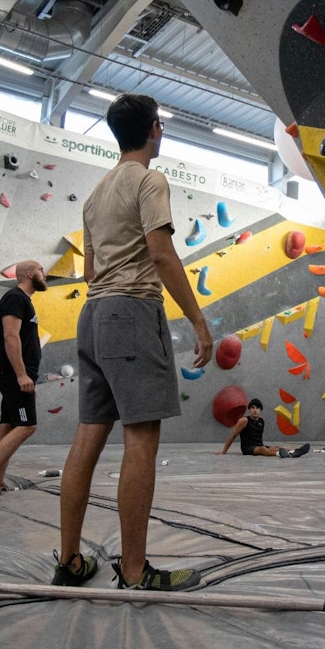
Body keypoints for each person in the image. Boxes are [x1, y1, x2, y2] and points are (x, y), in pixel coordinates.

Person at [53, 93, 213, 592]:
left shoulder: (96, 194)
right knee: (141, 438)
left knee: (88, 435)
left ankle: (71, 560)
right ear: (154, 128)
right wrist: (199, 322)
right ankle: (137, 572)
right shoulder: (149, 180)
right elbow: (162, 254)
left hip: (94, 314)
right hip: (132, 310)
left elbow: (89, 269)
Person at [0, 260, 47, 496]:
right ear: (30, 273)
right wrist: (21, 374)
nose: (45, 275)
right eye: (41, 271)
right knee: (27, 426)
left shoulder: (23, 300)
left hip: (13, 373)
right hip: (16, 376)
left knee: (8, 426)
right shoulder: (15, 298)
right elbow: (10, 336)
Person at [218, 399, 311, 458]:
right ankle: (279, 454)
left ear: (260, 410)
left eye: (257, 408)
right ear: (249, 409)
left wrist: (270, 448)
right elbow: (233, 436)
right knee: (262, 449)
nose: (255, 410)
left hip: (259, 445)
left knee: (277, 447)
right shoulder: (244, 420)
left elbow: (259, 440)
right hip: (248, 449)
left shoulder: (261, 421)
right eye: (253, 408)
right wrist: (223, 452)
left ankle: (294, 452)